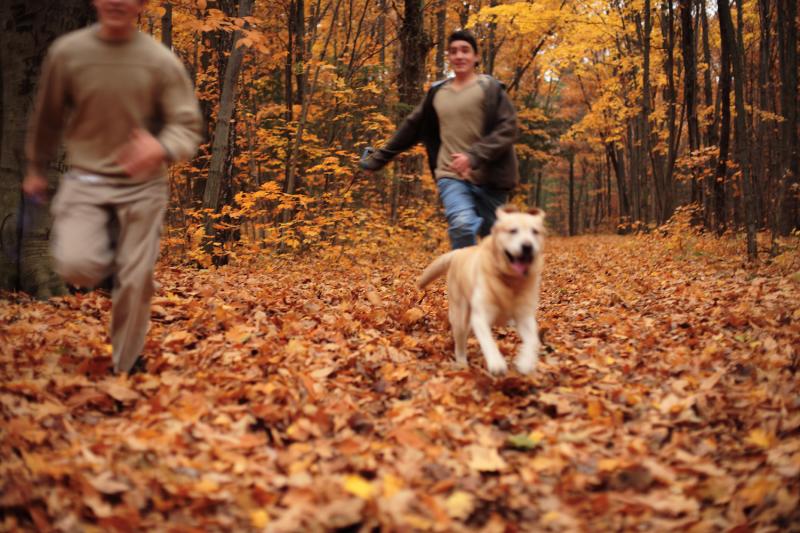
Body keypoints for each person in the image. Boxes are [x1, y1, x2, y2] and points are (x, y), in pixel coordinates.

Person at [23, 0, 202, 374]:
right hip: (86, 180)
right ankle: (107, 268)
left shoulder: (160, 61)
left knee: (136, 280)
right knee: (77, 266)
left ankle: (127, 361)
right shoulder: (69, 53)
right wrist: (37, 167)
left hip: (143, 187)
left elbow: (186, 126)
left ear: (141, 5)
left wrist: (162, 146)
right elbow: (48, 117)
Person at [360, 29, 519, 249]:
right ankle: (465, 281)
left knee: (498, 246)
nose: (459, 56)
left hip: (491, 179)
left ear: (476, 57)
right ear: (449, 57)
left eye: (465, 50)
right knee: (462, 226)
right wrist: (378, 159)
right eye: (453, 51)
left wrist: (473, 157)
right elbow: (410, 128)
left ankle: (494, 281)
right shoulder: (438, 93)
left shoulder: (490, 89)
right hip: (450, 174)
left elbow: (508, 129)